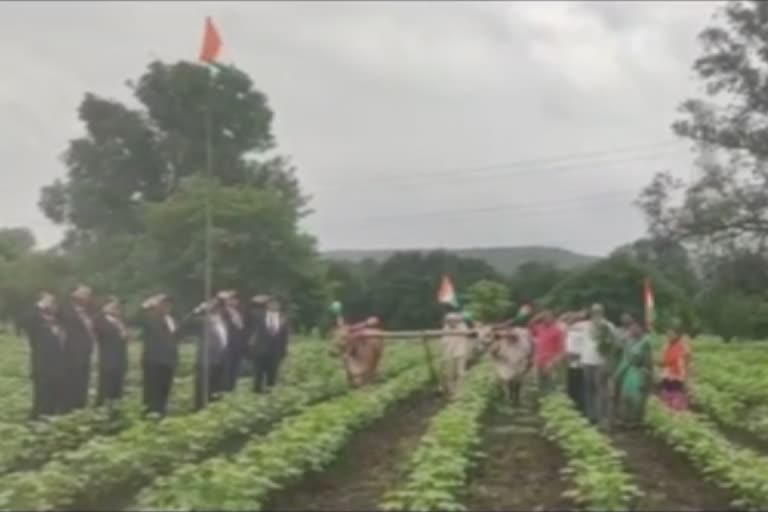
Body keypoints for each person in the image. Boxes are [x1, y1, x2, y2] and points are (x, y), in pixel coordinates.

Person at [23, 291, 66, 419]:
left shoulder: (54, 316)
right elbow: (27, 321)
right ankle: (37, 419)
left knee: (53, 392)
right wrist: (40, 305)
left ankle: (50, 415)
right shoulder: (34, 316)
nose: (52, 303)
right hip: (42, 361)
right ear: (41, 300)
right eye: (49, 300)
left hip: (56, 362)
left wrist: (53, 310)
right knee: (41, 393)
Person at [140, 294, 180, 417]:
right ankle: (149, 414)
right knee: (152, 390)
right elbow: (138, 317)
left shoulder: (172, 320)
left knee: (164, 389)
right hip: (153, 360)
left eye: (169, 304)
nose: (167, 306)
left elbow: (177, 334)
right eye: (163, 304)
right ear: (157, 306)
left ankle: (161, 413)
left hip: (169, 360)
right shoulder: (150, 317)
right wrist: (146, 304)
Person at [58, 284, 97, 412]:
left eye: (89, 295)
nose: (88, 298)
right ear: (76, 297)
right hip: (71, 354)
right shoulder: (67, 311)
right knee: (71, 382)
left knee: (83, 382)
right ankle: (68, 408)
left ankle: (80, 407)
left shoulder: (88, 313)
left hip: (85, 354)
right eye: (86, 295)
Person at [581, 303, 620, 429]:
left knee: (601, 390)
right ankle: (590, 415)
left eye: (598, 311)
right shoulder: (585, 325)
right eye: (594, 311)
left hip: (601, 362)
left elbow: (614, 344)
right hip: (586, 361)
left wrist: (609, 361)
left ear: (602, 312)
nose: (596, 313)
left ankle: (602, 417)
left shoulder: (608, 326)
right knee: (588, 390)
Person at [614, 319, 653, 428]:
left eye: (636, 328)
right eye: (632, 328)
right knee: (625, 395)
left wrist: (645, 374)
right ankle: (624, 419)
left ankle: (635, 421)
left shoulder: (645, 343)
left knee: (636, 397)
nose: (633, 330)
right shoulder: (628, 341)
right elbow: (618, 351)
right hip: (627, 371)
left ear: (641, 329)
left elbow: (647, 361)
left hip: (638, 371)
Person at [192, 296, 230, 410]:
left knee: (217, 389)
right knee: (203, 389)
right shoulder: (203, 321)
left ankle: (214, 409)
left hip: (220, 360)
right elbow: (187, 322)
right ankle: (199, 411)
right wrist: (199, 309)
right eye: (214, 307)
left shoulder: (224, 322)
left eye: (219, 307)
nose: (217, 309)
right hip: (206, 360)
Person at [485, 323, 533, 407]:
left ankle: (516, 398)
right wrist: (496, 342)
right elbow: (493, 353)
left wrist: (528, 364)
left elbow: (528, 353)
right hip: (505, 362)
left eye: (513, 337)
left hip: (519, 361)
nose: (510, 338)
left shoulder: (523, 341)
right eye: (509, 337)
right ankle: (508, 396)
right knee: (507, 379)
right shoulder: (501, 341)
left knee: (518, 380)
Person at [94, 296, 129, 407]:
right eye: (113, 305)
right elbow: (101, 334)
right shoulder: (99, 320)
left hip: (120, 361)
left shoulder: (121, 321)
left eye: (117, 305)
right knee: (105, 390)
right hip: (107, 361)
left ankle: (115, 412)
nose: (116, 308)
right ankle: (100, 411)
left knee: (117, 391)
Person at [250, 296, 289, 393]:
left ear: (279, 306)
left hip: (275, 351)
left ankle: (270, 394)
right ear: (266, 305)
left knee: (272, 375)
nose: (273, 306)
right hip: (260, 351)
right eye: (271, 303)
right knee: (258, 375)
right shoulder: (258, 315)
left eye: (276, 304)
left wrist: (283, 351)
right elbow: (246, 314)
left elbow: (285, 336)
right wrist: (255, 301)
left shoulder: (282, 317)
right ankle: (256, 393)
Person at [528, 309, 566, 397]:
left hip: (550, 363)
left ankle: (551, 403)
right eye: (544, 317)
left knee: (551, 386)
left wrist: (553, 362)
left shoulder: (557, 331)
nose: (546, 319)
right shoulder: (539, 328)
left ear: (553, 319)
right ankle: (543, 404)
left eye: (548, 317)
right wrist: (538, 316)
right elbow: (530, 324)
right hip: (539, 361)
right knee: (540, 385)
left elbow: (562, 350)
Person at [658, 323, 692, 411]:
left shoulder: (684, 347)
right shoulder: (665, 346)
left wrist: (687, 381)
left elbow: (687, 365)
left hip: (678, 379)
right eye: (668, 333)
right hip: (666, 377)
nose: (669, 335)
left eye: (671, 333)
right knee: (665, 403)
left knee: (677, 404)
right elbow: (662, 362)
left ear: (677, 334)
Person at [439, 312, 472, 396]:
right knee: (449, 374)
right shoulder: (446, 328)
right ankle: (452, 392)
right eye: (449, 321)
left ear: (457, 321)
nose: (452, 322)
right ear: (447, 321)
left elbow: (466, 335)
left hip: (460, 353)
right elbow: (444, 342)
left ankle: (460, 391)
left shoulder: (463, 326)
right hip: (449, 354)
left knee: (460, 373)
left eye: (454, 320)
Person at [220, 291, 247, 391]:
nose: (233, 301)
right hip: (227, 346)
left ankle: (231, 389)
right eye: (230, 299)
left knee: (235, 371)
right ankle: (225, 390)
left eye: (235, 299)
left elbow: (242, 329)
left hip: (238, 347)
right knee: (226, 371)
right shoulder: (222, 312)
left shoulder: (240, 313)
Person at [563, 311, 588, 415]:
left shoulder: (583, 328)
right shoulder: (569, 329)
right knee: (573, 386)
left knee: (579, 386)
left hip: (579, 361)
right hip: (572, 361)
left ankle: (580, 408)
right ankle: (575, 406)